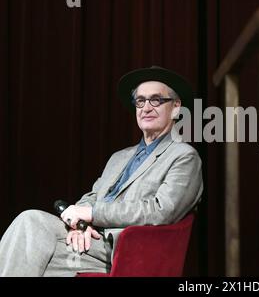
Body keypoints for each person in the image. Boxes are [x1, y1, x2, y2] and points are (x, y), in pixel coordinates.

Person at [0, 66, 203, 276]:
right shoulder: (119, 157)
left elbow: (161, 210)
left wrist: (92, 215)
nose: (146, 108)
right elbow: (92, 197)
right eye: (140, 101)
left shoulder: (183, 156)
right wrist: (78, 225)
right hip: (89, 238)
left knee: (31, 230)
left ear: (176, 107)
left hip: (121, 248)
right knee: (32, 241)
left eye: (156, 100)